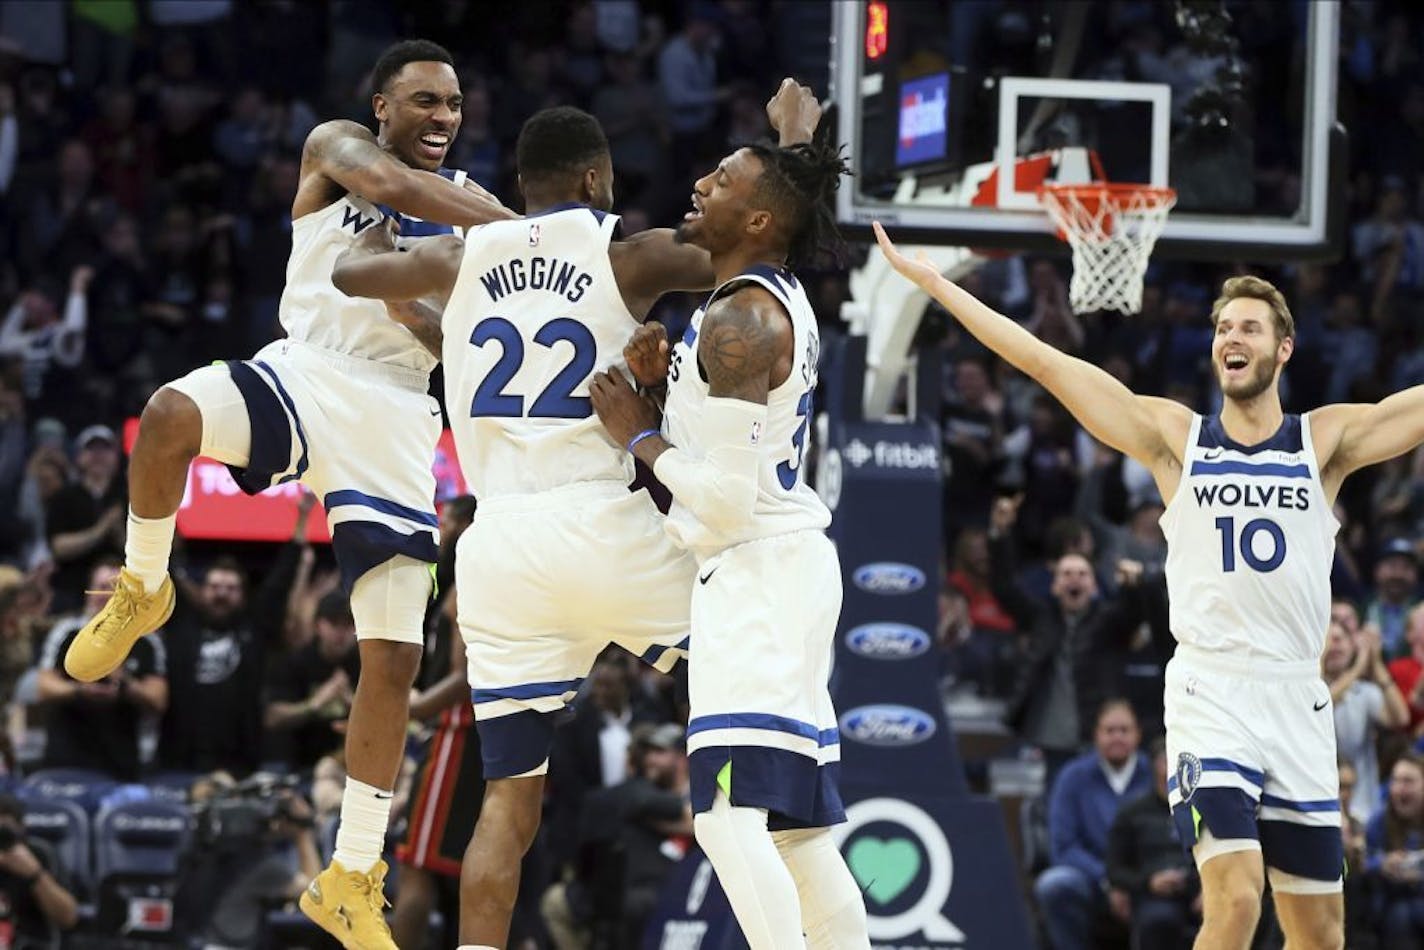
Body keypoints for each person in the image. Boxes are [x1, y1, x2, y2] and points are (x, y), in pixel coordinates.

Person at [328, 80, 822, 950]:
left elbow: (350, 273)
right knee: (754, 671)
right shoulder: (627, 252)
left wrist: (399, 222)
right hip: (610, 521)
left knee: (508, 805)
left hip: (500, 547)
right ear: (596, 183)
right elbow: (744, 246)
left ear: (520, 184)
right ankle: (803, 858)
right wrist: (791, 147)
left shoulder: (460, 256)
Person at [57, 39, 512, 949]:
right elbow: (395, 192)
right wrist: (527, 229)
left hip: (394, 417)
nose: (441, 117)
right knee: (170, 413)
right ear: (381, 107)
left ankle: (349, 873)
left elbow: (445, 345)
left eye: (453, 105)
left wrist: (424, 300)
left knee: (391, 661)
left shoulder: (473, 224)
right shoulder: (339, 146)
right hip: (307, 371)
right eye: (423, 100)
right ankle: (145, 583)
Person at [874, 231, 1424, 948]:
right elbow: (1046, 364)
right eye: (1223, 327)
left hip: (1298, 697)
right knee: (1233, 897)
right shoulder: (1176, 439)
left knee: (1320, 932)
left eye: (1250, 328)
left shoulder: (1322, 441)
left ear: (1283, 349)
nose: (1232, 337)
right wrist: (939, 287)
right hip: (1211, 691)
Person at [586, 127, 868, 948]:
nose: (702, 182)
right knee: (797, 838)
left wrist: (638, 434)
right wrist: (655, 387)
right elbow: (720, 459)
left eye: (723, 179)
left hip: (758, 571)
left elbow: (728, 503)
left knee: (723, 819)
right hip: (776, 572)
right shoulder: (747, 301)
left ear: (756, 223)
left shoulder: (743, 316)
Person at [36, 556, 167, 781]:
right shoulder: (67, 631)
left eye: (116, 589)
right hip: (66, 758)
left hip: (120, 763)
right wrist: (80, 689)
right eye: (101, 588)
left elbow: (158, 699)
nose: (107, 596)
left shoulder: (145, 640)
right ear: (89, 591)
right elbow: (44, 687)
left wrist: (124, 682)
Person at [1034, 700, 1151, 950]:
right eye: (1109, 730)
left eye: (1124, 730)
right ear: (1096, 734)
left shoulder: (1157, 773)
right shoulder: (1073, 776)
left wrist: (1136, 880)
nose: (1117, 737)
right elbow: (1064, 847)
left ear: (1138, 734)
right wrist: (1109, 878)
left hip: (1148, 877)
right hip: (1093, 878)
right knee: (1054, 885)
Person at [1106, 736, 1201, 950]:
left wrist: (1208, 889)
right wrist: (1149, 881)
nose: (1174, 769)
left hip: (1200, 892)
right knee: (1160, 921)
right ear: (1154, 766)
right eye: (1167, 761)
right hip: (1153, 895)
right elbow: (1115, 870)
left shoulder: (1202, 809)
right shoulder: (1132, 813)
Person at [0, 793, 80, 945]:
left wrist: (35, 875)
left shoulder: (39, 854)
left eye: (4, 833)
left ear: (20, 828)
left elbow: (68, 918)